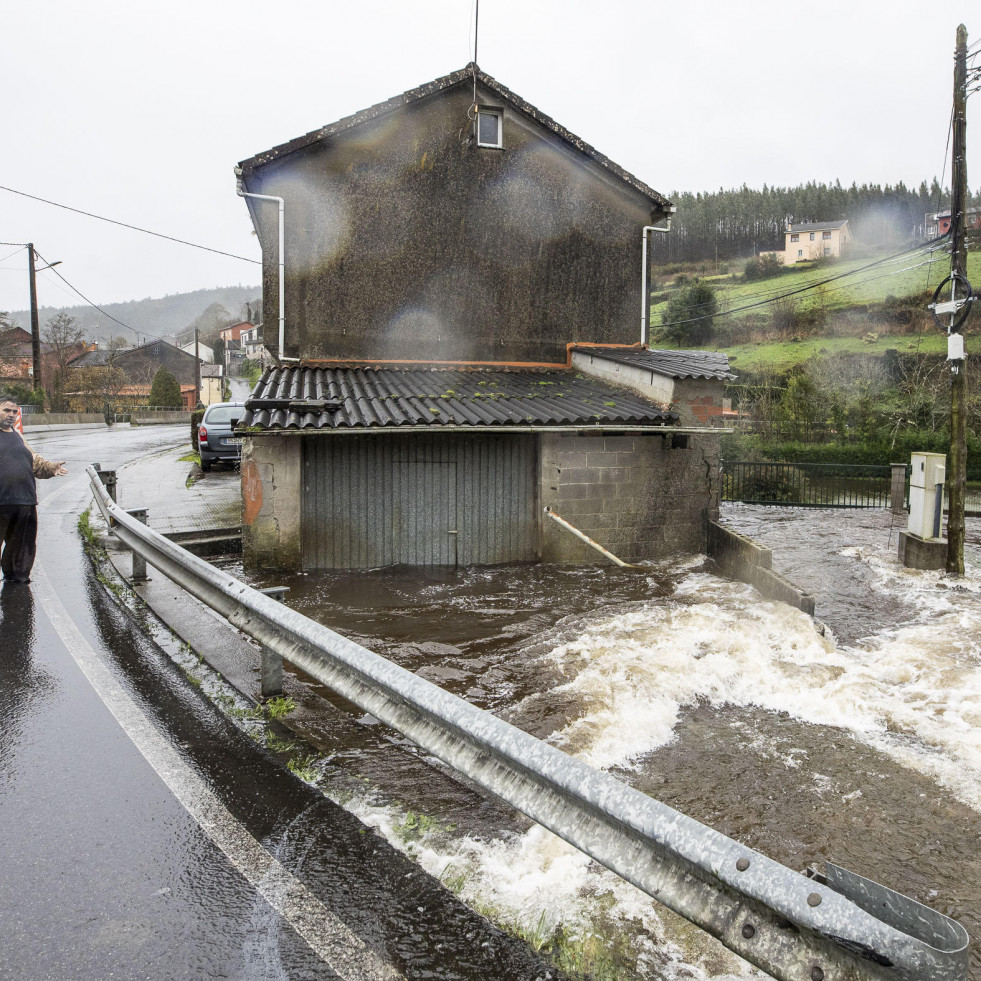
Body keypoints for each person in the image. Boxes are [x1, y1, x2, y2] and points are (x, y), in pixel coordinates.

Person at [0, 394, 68, 583]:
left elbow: (34, 461)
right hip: (1, 502)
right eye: (6, 410)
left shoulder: (17, 435)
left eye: (15, 411)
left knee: (21, 549)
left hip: (24, 502)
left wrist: (51, 467)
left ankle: (17, 583)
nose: (12, 415)